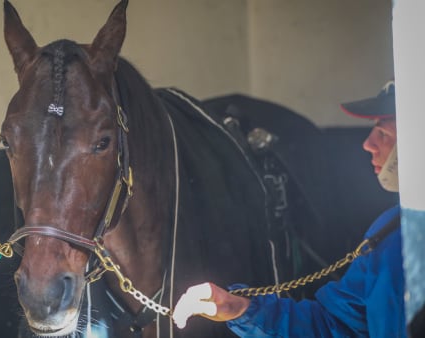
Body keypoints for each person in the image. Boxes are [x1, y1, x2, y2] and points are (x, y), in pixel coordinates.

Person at [172, 80, 405, 337]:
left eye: (383, 134)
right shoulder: (388, 234)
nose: (368, 144)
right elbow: (333, 326)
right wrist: (239, 309)